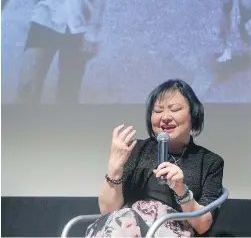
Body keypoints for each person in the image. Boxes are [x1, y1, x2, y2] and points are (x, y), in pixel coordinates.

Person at [86, 79, 224, 237]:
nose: (165, 117)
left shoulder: (209, 162)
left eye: (175, 109)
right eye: (158, 111)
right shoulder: (136, 149)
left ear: (193, 114)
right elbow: (108, 212)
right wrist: (114, 168)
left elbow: (203, 225)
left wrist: (181, 189)